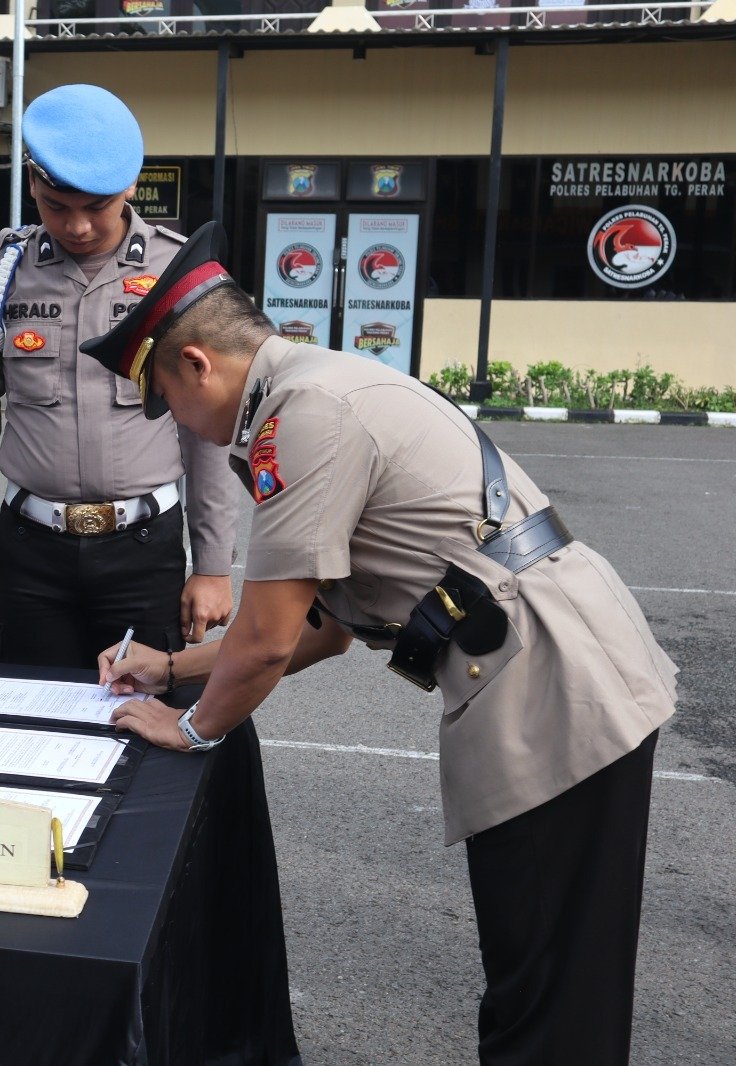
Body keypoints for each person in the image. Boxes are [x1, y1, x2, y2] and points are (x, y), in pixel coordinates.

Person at [85, 222, 677, 1066]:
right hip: (552, 661)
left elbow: (268, 639)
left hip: (553, 686)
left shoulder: (302, 416)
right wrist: (171, 667)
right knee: (546, 977)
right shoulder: (316, 384)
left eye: (165, 401)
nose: (173, 423)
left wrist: (187, 726)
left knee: (549, 997)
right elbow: (322, 630)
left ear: (196, 364)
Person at [0, 84, 238, 670]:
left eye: (95, 206)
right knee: (34, 712)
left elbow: (209, 427)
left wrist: (212, 566)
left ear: (131, 185)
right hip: (30, 552)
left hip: (143, 551)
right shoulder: (0, 276)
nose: (76, 226)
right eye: (56, 206)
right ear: (32, 183)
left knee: (139, 711)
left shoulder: (179, 273)